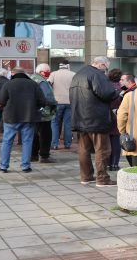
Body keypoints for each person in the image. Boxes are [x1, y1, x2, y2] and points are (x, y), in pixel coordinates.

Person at [69, 56, 119, 186]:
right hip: (96, 119)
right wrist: (117, 93)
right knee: (102, 149)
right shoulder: (97, 75)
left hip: (80, 118)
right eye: (106, 68)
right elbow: (107, 93)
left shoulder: (78, 75)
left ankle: (86, 177)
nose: (106, 70)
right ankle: (102, 179)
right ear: (101, 65)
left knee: (83, 150)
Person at [0, 67, 46, 173]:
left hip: (11, 117)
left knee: (7, 141)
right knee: (27, 142)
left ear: (13, 73)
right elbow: (42, 101)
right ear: (24, 73)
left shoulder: (8, 84)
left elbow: (1, 101)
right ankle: (25, 166)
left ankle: (3, 166)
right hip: (29, 117)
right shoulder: (33, 84)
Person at [30, 64, 58, 164]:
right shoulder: (42, 81)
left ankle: (33, 155)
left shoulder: (31, 78)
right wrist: (54, 104)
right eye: (47, 71)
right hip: (44, 112)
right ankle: (44, 155)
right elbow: (48, 96)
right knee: (45, 134)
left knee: (34, 134)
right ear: (42, 72)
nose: (48, 73)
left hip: (33, 111)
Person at [48, 60, 75, 149]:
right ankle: (67, 144)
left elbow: (48, 84)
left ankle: (54, 144)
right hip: (69, 101)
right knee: (68, 123)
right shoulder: (73, 74)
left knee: (54, 122)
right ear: (68, 65)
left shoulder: (54, 74)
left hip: (57, 101)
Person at [107, 69, 124, 171]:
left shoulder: (107, 86)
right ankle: (115, 164)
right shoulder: (123, 87)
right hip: (118, 115)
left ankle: (108, 163)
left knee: (107, 142)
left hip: (107, 115)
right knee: (116, 141)